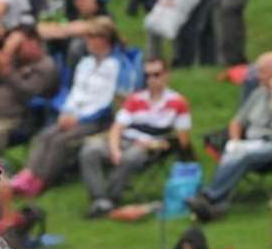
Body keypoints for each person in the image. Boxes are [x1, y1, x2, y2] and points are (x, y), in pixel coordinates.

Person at [8, 17, 123, 197]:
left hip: (98, 119)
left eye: (92, 37)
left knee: (60, 141)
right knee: (45, 136)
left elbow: (106, 100)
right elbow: (75, 92)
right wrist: (67, 112)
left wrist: (80, 119)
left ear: (105, 39)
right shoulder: (86, 64)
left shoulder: (115, 65)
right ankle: (28, 174)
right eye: (88, 37)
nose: (88, 42)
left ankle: (41, 181)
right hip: (74, 115)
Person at [187, 52, 272, 221]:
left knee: (242, 155)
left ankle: (209, 197)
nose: (257, 76)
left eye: (262, 71)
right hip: (248, 143)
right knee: (235, 152)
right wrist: (234, 141)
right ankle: (216, 206)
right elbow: (237, 122)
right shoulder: (257, 93)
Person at [80, 58, 192, 217]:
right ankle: (100, 199)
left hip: (150, 146)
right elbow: (117, 128)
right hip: (126, 140)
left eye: (156, 75)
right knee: (90, 150)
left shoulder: (178, 102)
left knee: (131, 157)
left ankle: (110, 199)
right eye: (147, 75)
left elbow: (182, 139)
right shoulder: (135, 99)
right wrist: (114, 149)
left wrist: (159, 144)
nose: (151, 80)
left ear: (167, 75)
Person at [0, 27, 60, 158]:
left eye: (19, 44)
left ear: (33, 42)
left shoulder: (45, 66)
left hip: (11, 121)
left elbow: (28, 93)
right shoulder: (13, 60)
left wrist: (7, 71)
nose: (15, 50)